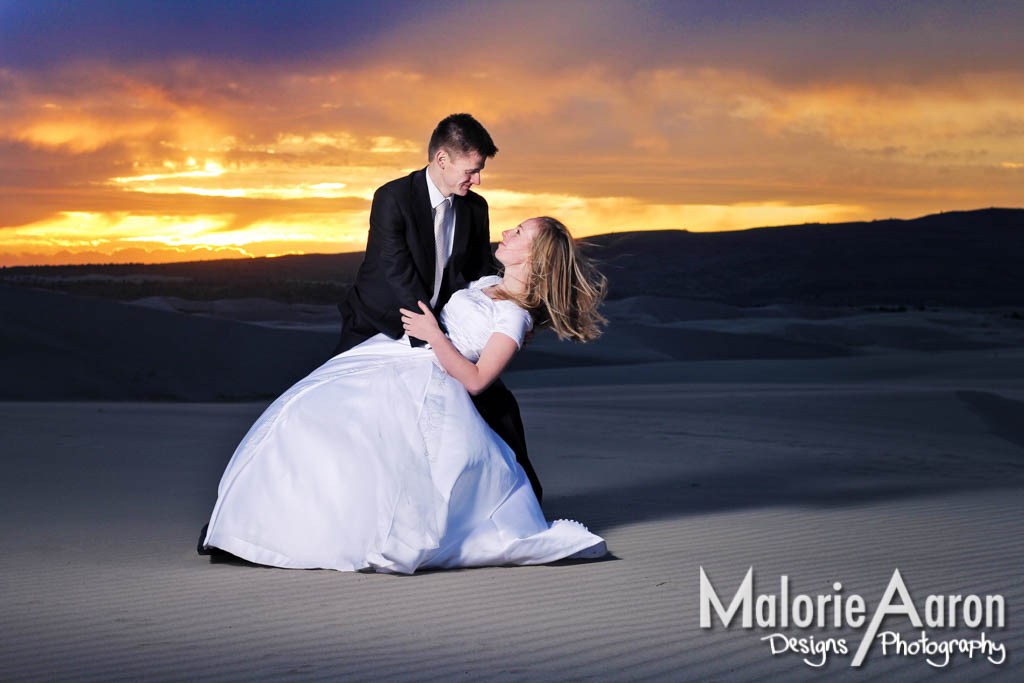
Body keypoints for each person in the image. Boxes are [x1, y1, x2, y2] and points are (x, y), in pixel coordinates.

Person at [199, 217, 608, 573]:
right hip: (396, 358)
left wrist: (433, 334)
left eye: (518, 232)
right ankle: (252, 527)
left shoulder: (513, 316)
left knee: (364, 448)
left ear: (534, 257)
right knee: (302, 413)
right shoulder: (489, 284)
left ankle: (311, 535)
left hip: (432, 377)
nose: (505, 232)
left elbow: (478, 379)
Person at [333, 113, 543, 503]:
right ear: (442, 159)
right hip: (379, 325)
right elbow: (398, 276)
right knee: (348, 419)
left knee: (499, 407)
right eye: (472, 169)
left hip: (442, 329)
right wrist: (437, 343)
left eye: (480, 171)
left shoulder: (475, 209)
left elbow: (479, 272)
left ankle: (524, 498)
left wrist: (515, 314)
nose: (477, 179)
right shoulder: (392, 198)